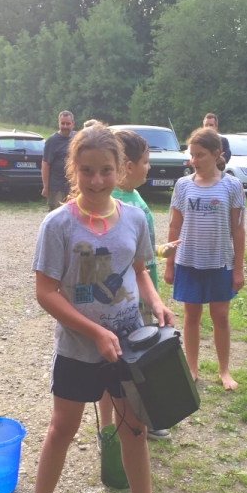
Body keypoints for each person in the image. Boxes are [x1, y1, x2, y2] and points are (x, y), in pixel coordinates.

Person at [13, 125, 181, 493]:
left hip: (129, 348)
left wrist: (156, 303)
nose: (96, 180)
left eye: (106, 170)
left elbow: (140, 271)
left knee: (134, 429)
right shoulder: (58, 225)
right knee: (61, 430)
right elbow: (46, 292)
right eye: (86, 170)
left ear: (121, 169)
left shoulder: (135, 218)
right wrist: (95, 331)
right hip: (78, 350)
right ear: (73, 169)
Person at [98, 129, 170, 440]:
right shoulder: (114, 203)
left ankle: (144, 416)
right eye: (146, 162)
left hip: (145, 294)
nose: (149, 167)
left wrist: (159, 251)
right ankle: (109, 427)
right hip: (124, 299)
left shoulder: (136, 198)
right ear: (128, 166)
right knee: (118, 364)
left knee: (141, 361)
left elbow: (137, 254)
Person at [165, 128, 245, 390]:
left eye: (200, 155)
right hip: (188, 261)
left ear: (216, 154)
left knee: (220, 316)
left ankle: (224, 371)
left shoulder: (232, 185)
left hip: (220, 262)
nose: (194, 161)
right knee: (191, 315)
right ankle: (191, 368)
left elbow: (238, 230)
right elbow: (175, 226)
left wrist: (238, 269)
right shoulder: (183, 185)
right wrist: (169, 263)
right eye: (192, 155)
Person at [41, 111, 76, 211]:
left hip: (73, 186)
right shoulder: (52, 141)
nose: (65, 126)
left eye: (68, 124)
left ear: (73, 124)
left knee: (73, 214)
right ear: (59, 123)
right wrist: (46, 187)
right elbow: (45, 164)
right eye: (62, 123)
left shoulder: (76, 138)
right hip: (57, 187)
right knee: (57, 213)